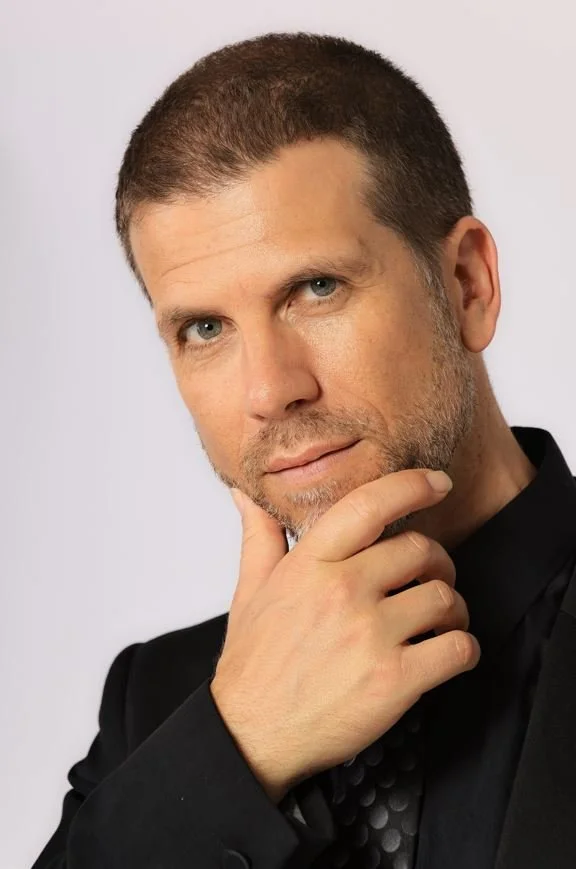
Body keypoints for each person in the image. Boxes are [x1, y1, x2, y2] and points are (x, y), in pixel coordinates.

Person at [31, 30, 576, 869]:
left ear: (467, 284)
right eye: (204, 328)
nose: (268, 390)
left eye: (316, 288)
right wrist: (240, 744)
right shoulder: (163, 703)